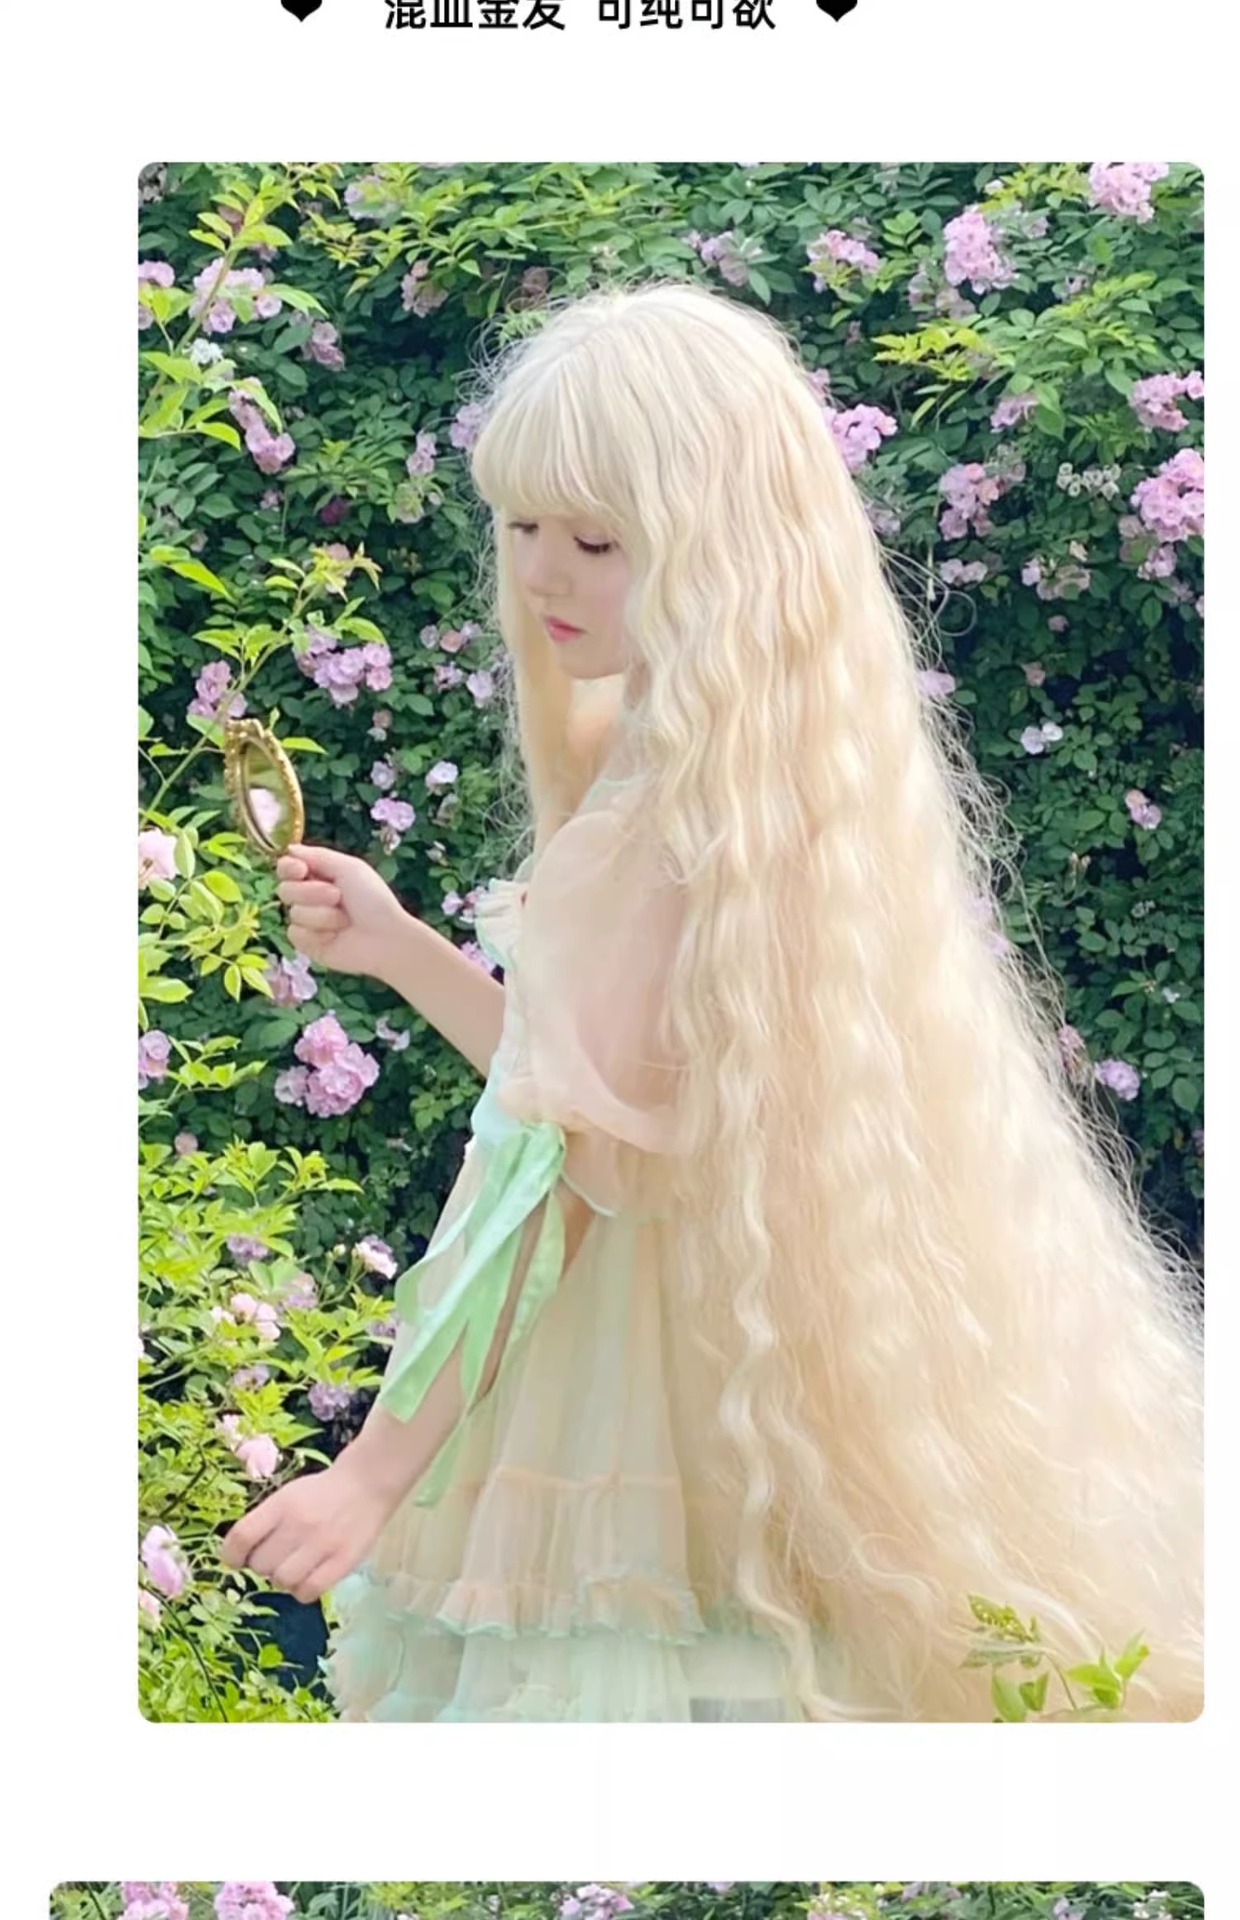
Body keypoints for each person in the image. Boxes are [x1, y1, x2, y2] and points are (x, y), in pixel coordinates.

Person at [221, 279, 1203, 1722]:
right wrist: (406, 949)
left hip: (615, 1400)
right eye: (522, 527)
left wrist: (372, 1472)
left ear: (718, 548)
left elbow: (549, 1171)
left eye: (596, 541)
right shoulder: (773, 793)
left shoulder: (652, 824)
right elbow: (600, 1103)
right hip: (763, 1375)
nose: (543, 575)